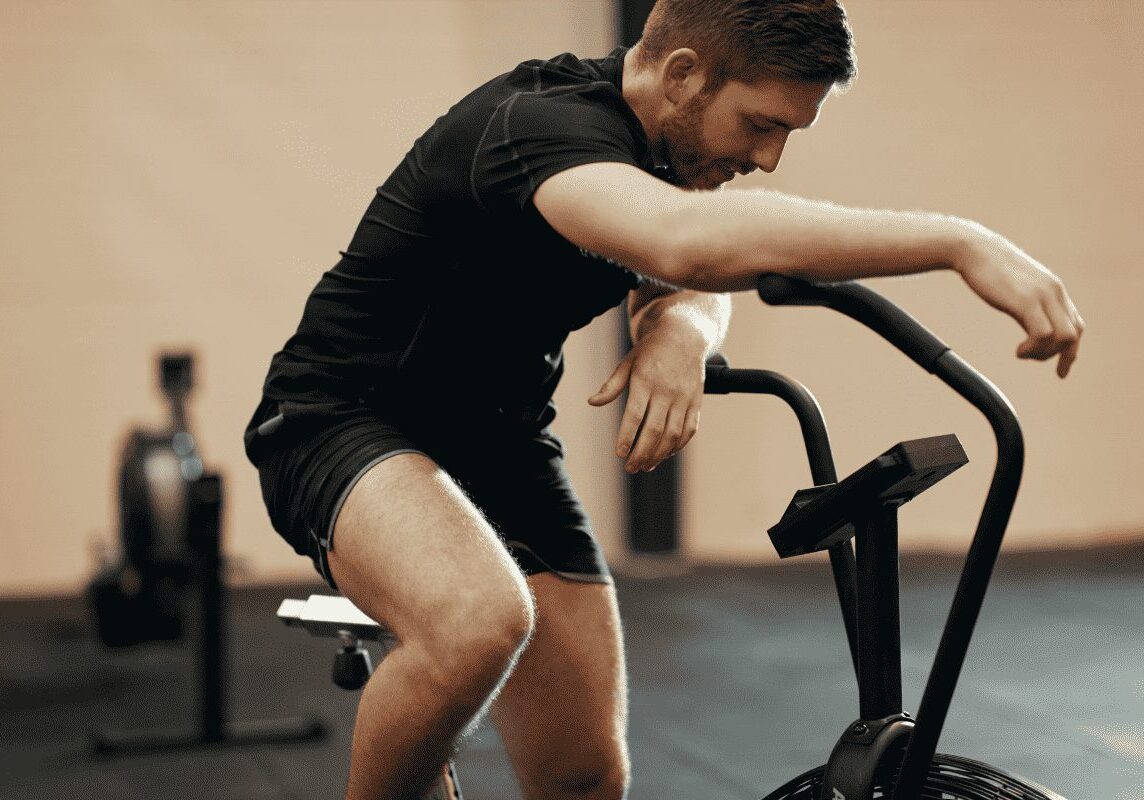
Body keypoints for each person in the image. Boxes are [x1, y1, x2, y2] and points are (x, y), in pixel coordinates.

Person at [243, 1, 1085, 798]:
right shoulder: (543, 125)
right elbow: (685, 243)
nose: (768, 160)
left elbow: (685, 271)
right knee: (476, 622)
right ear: (681, 73)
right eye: (761, 125)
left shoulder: (668, 152)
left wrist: (679, 330)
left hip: (499, 443)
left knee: (585, 776)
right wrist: (956, 242)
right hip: (340, 418)